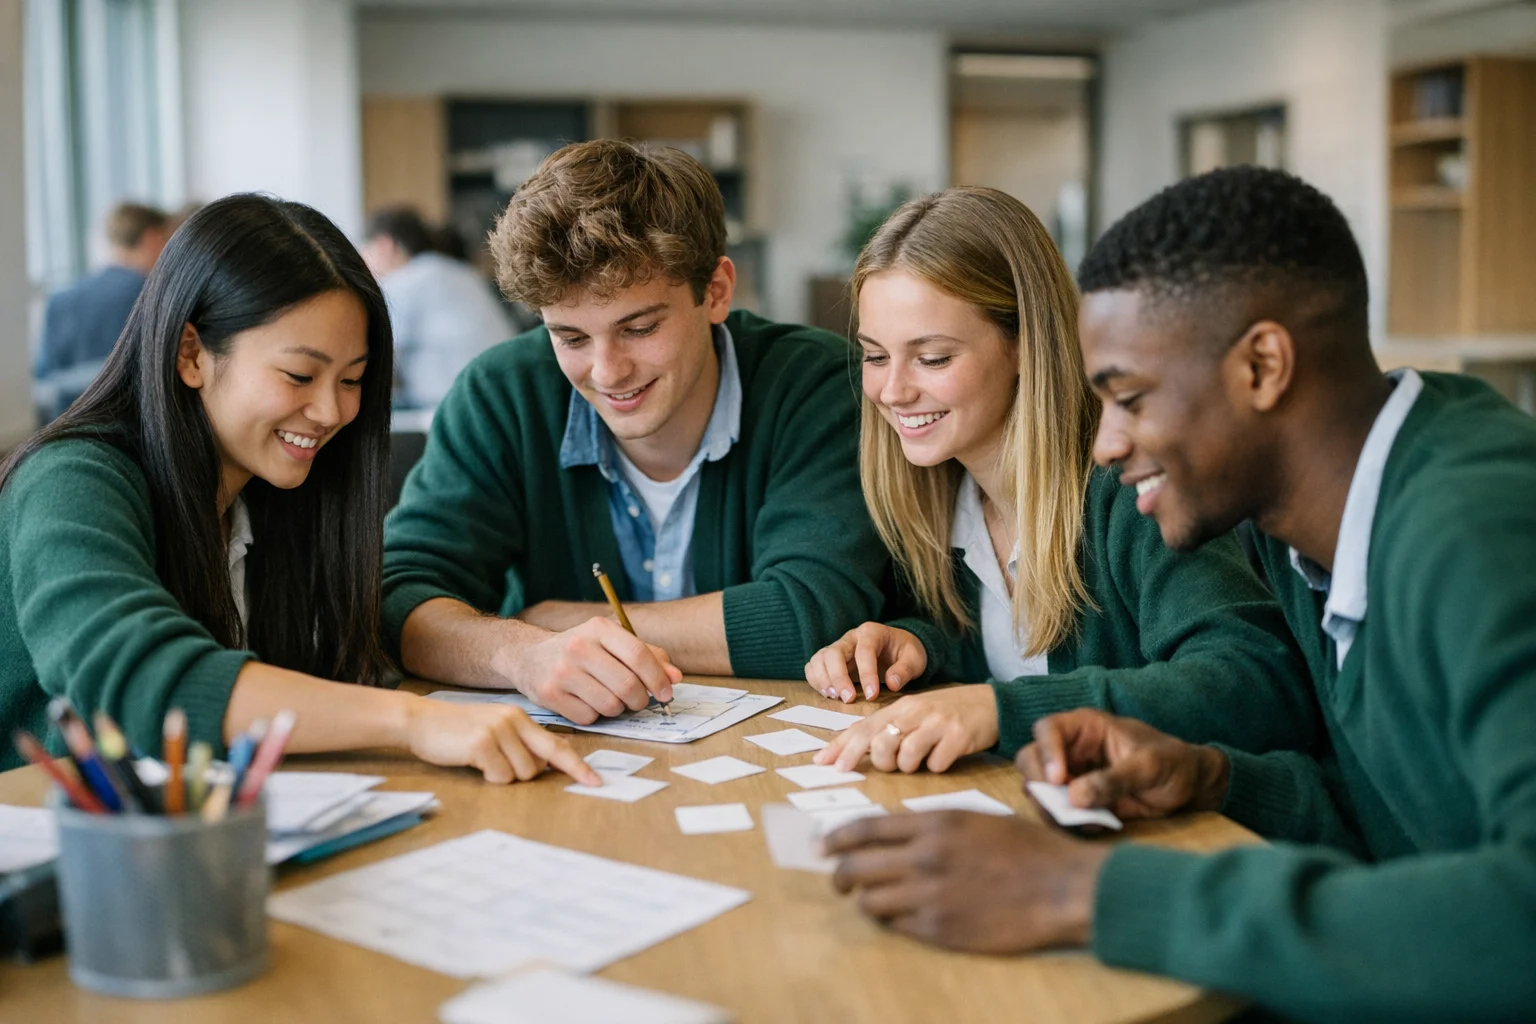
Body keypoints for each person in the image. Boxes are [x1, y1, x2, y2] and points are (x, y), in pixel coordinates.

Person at [824, 167, 1536, 1021]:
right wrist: (1211, 778)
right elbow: (1394, 825)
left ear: (1263, 366)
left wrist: (1084, 892)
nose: (1103, 444)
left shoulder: (1475, 528)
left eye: (1129, 398)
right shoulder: (1305, 529)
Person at [0, 194, 599, 787]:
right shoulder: (70, 480)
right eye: (300, 375)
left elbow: (357, 649)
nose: (331, 411)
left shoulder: (280, 491)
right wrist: (412, 720)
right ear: (191, 355)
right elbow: (139, 678)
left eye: (353, 379)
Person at [801, 186, 1313, 776]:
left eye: (933, 358)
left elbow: (1256, 682)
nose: (892, 391)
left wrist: (1002, 710)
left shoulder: (1131, 485)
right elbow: (998, 658)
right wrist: (919, 643)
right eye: (875, 356)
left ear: (1025, 345)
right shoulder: (941, 493)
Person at [383, 140, 888, 724]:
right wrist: (519, 652)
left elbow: (816, 614)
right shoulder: (501, 394)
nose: (607, 372)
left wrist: (556, 622)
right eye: (571, 338)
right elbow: (398, 597)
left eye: (639, 328)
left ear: (716, 292)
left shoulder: (817, 384)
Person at [360, 205, 516, 411]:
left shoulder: (406, 280)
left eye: (365, 248)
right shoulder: (457, 271)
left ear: (384, 245)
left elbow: (375, 355)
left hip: (456, 404)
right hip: (501, 394)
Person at [34, 202, 170, 422]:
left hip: (66, 425)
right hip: (130, 425)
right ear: (152, 238)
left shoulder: (59, 299)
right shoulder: (152, 295)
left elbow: (45, 376)